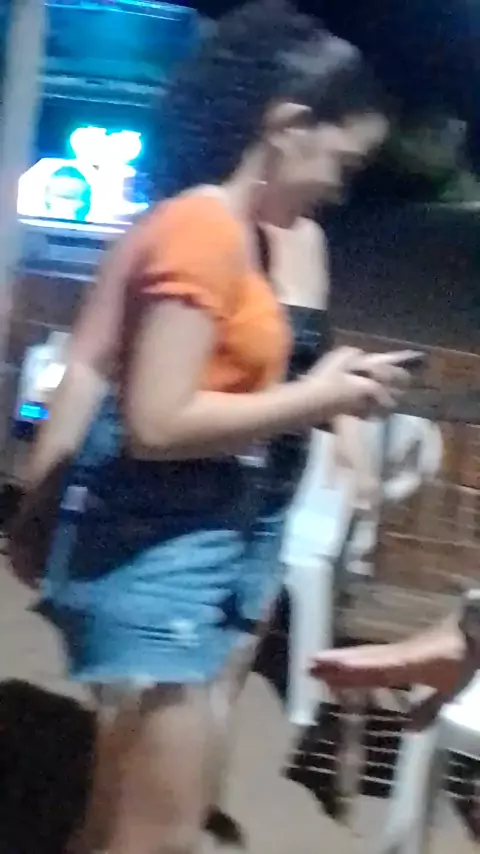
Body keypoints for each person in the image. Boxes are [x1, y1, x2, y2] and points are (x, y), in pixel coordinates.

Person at [13, 3, 414, 853]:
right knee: (155, 808)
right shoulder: (201, 233)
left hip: (235, 516)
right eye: (344, 163)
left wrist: (336, 413)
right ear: (288, 124)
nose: (342, 188)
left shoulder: (256, 234)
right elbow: (146, 412)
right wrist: (42, 503)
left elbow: (280, 366)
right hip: (170, 535)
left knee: (149, 791)